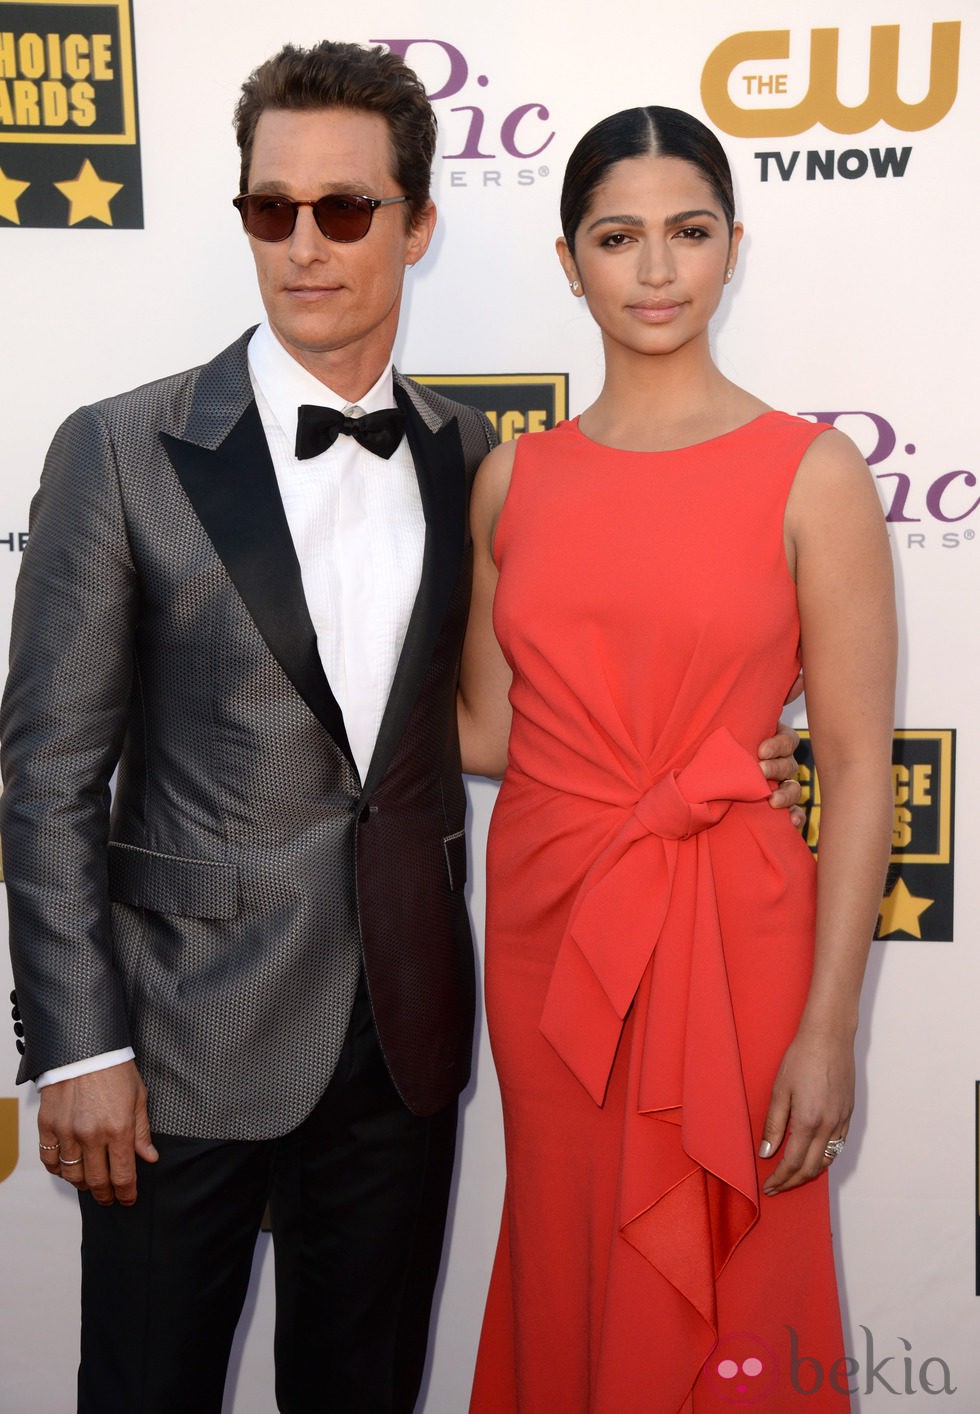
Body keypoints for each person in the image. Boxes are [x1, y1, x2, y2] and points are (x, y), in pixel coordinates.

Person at [0, 42, 804, 1413]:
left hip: (399, 1047)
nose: (305, 245)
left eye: (347, 209)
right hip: (175, 1049)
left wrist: (720, 767)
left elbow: (514, 715)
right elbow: (47, 776)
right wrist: (77, 1048)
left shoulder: (473, 461)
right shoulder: (119, 448)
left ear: (418, 225)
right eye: (272, 210)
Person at [458, 106, 896, 1413]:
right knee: (568, 1241)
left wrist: (830, 1027)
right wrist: (305, 668)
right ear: (567, 260)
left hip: (733, 918)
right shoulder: (511, 479)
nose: (656, 271)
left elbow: (862, 771)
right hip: (552, 931)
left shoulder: (812, 472)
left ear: (733, 248)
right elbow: (484, 729)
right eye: (619, 237)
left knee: (739, 1263)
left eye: (688, 233)